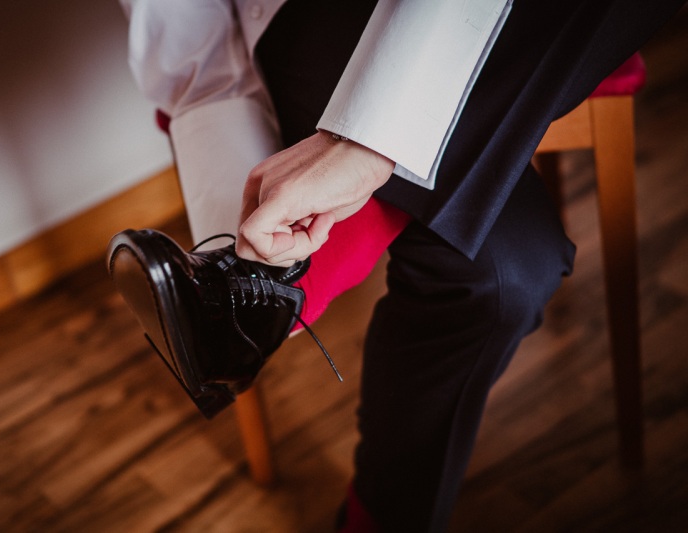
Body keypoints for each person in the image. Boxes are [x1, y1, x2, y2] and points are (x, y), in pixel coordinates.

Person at [109, 0, 683, 530]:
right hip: (317, 17)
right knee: (503, 271)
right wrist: (233, 229)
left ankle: (272, 284)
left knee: (504, 269)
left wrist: (367, 143)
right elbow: (195, 46)